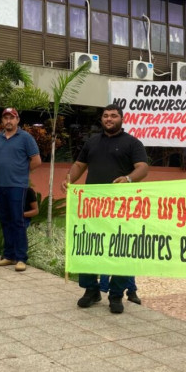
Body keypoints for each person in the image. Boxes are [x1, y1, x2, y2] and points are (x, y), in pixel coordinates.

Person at [62, 104, 149, 313]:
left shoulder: (132, 143)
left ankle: (116, 295)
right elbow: (79, 165)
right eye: (106, 116)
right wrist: (69, 179)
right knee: (88, 245)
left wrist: (128, 179)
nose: (109, 119)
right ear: (101, 119)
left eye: (113, 116)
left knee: (120, 249)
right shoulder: (92, 142)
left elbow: (143, 168)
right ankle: (91, 290)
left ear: (121, 119)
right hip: (91, 207)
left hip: (120, 208)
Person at [0, 108, 41, 272]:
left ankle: (21, 258)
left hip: (18, 186)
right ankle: (8, 255)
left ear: (17, 120)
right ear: (2, 120)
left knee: (18, 221)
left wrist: (22, 171)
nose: (8, 121)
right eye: (5, 118)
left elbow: (36, 160)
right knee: (5, 220)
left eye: (11, 118)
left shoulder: (26, 138)